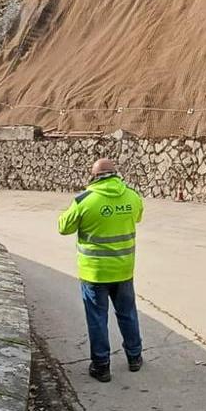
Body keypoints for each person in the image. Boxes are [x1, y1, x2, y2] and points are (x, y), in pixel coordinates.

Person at [58, 158, 144, 383]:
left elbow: (63, 227)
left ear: (94, 176)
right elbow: (138, 216)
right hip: (124, 269)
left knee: (97, 318)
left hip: (94, 272)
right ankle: (135, 357)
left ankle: (101, 365)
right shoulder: (132, 196)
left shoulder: (84, 200)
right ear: (116, 174)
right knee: (127, 313)